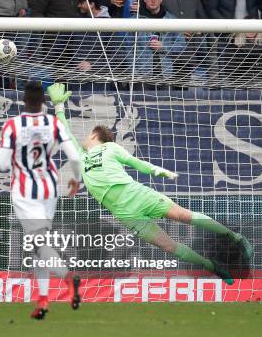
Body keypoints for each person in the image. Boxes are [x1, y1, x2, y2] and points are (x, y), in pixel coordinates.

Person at [48, 83, 253, 285]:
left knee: (184, 216)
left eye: (87, 135)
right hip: (126, 214)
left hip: (138, 195)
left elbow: (136, 163)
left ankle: (235, 237)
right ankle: (212, 266)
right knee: (169, 247)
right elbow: (64, 133)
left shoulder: (110, 147)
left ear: (95, 134)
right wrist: (58, 106)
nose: (83, 139)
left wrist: (158, 171)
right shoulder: (81, 157)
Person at [0, 81, 82, 320]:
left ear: (23, 101)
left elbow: (2, 165)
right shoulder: (53, 123)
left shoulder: (13, 125)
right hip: (49, 190)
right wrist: (76, 179)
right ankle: (43, 301)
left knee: (38, 244)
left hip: (25, 193)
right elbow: (74, 156)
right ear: (43, 102)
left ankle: (68, 278)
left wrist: (16, 156)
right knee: (39, 245)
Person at [126, 0, 185, 83]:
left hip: (166, 74)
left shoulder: (171, 19)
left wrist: (163, 46)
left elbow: (181, 45)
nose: (153, 1)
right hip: (141, 76)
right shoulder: (134, 21)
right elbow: (126, 49)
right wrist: (134, 72)